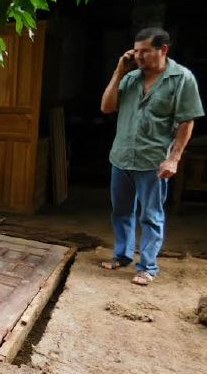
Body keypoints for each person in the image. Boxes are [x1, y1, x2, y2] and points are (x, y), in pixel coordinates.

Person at [100, 27, 204, 285]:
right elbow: (106, 107)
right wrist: (118, 71)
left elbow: (186, 122)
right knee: (121, 212)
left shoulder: (181, 79)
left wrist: (174, 158)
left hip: (153, 161)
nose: (138, 56)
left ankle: (147, 267)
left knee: (150, 215)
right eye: (136, 51)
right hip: (122, 157)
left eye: (145, 51)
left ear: (163, 49)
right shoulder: (130, 77)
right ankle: (122, 255)